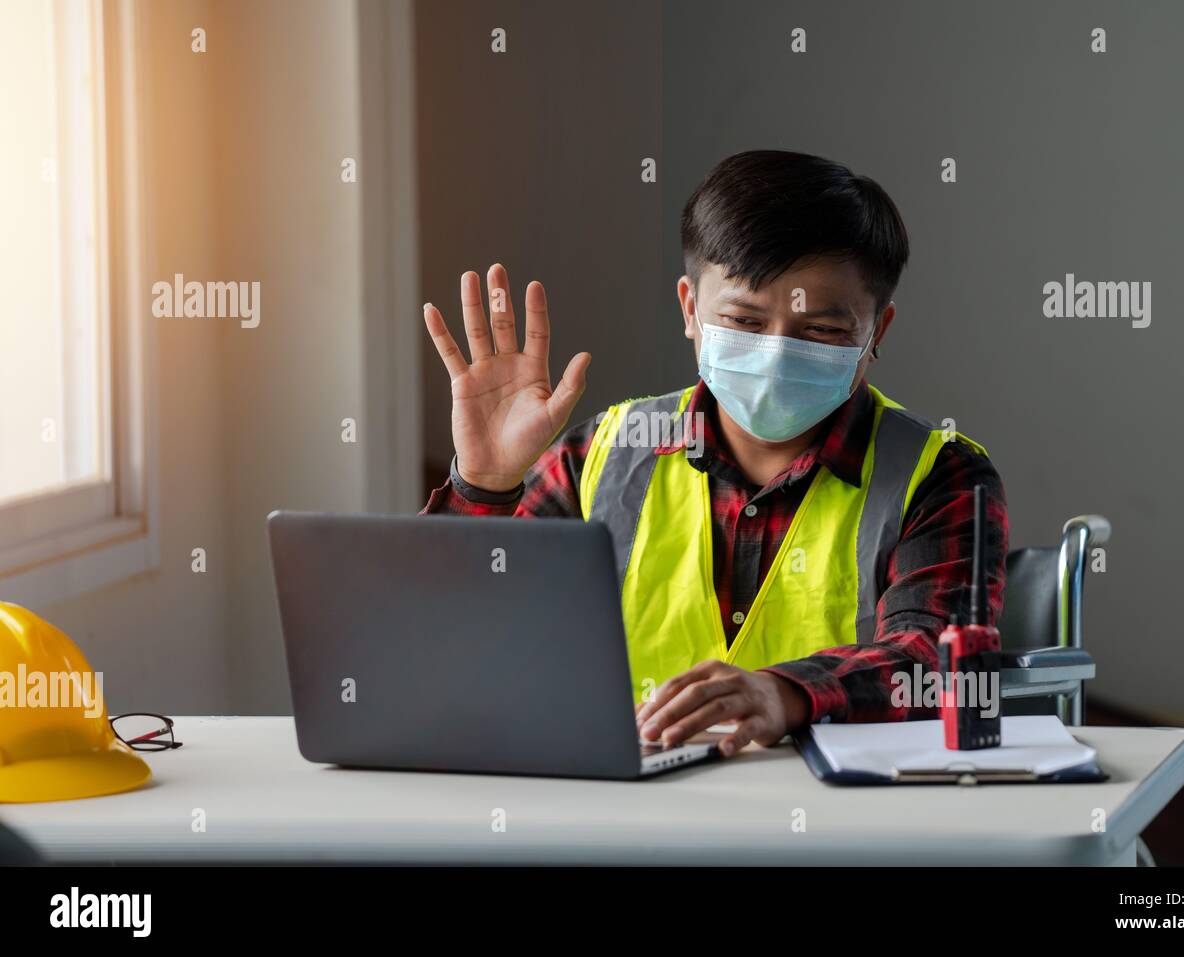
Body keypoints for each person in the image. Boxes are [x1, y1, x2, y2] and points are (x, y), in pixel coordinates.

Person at [420, 149, 1008, 759]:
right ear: (691, 310)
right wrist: (484, 486)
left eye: (822, 331)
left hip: (846, 830)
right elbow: (451, 648)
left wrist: (787, 693)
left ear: (875, 333)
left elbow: (939, 661)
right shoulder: (602, 454)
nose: (777, 353)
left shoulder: (942, 476)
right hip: (621, 818)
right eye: (745, 322)